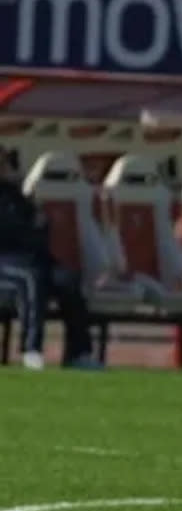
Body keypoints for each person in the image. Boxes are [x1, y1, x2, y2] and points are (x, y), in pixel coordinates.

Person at [0, 147, 99, 370]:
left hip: (33, 257)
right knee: (30, 278)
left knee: (69, 281)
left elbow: (38, 223)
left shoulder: (14, 194)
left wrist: (34, 228)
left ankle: (79, 354)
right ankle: (31, 349)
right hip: (6, 259)